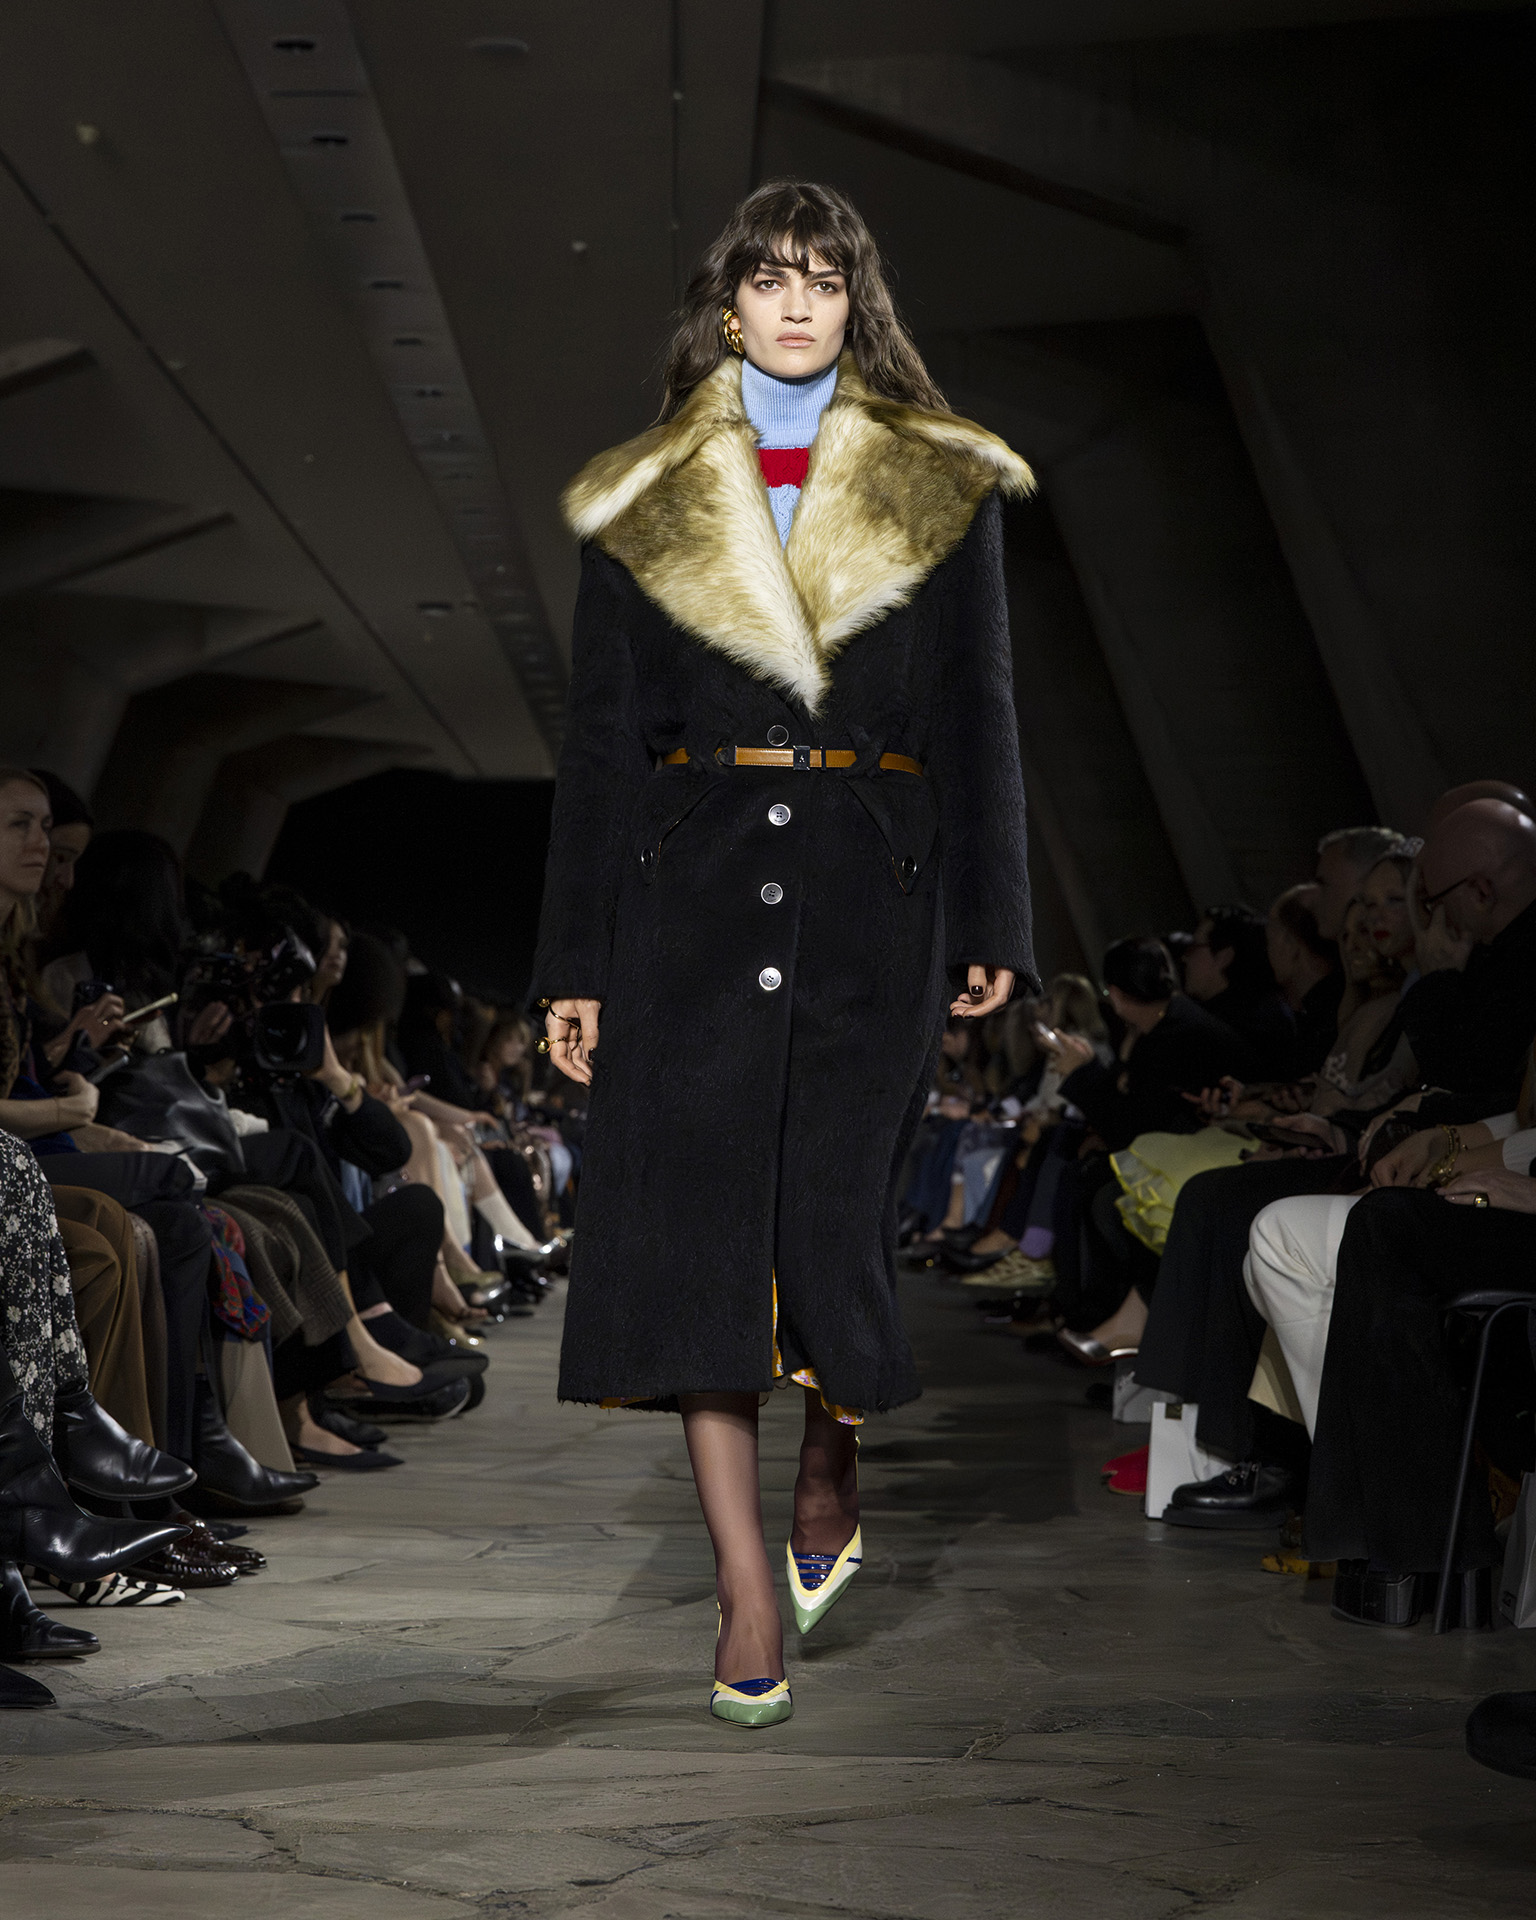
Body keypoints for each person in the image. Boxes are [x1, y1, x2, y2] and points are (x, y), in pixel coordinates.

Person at [531, 179, 1034, 1726]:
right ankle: (744, 1588)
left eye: (824, 277)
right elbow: (601, 745)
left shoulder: (940, 483)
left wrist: (997, 918)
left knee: (833, 1217)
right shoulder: (643, 495)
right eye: (771, 277)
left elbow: (979, 710)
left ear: (855, 299)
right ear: (729, 302)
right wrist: (573, 962)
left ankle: (833, 1446)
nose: (798, 302)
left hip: (873, 899)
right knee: (699, 1247)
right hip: (684, 906)